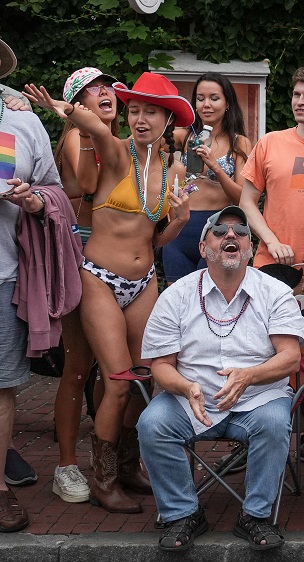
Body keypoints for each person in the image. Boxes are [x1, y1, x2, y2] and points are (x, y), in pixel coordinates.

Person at [24, 72, 191, 513]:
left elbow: (157, 240)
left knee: (144, 380)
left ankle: (127, 464)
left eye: (149, 111)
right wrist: (66, 111)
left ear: (167, 118)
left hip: (144, 282)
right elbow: (97, 127)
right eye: (133, 110)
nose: (138, 118)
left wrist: (180, 218)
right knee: (116, 383)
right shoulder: (116, 154)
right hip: (98, 277)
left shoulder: (175, 168)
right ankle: (102, 480)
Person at [138, 206, 303, 551]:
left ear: (251, 249)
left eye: (241, 232)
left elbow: (290, 357)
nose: (232, 236)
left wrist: (249, 376)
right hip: (191, 401)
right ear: (203, 248)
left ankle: (254, 517)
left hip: (257, 400)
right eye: (220, 230)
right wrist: (185, 386)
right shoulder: (176, 295)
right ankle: (183, 514)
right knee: (153, 423)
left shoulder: (275, 293)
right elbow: (161, 366)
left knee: (274, 422)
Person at [239, 65, 304, 471]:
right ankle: (251, 434)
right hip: (270, 266)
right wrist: (270, 239)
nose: (299, 101)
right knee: (265, 352)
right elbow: (247, 201)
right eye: (297, 94)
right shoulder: (271, 143)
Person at [44, 67, 121, 504]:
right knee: (77, 366)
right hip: (83, 260)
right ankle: (66, 466)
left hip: (116, 263)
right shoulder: (78, 136)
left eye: (107, 86)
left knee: (109, 370)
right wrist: (88, 130)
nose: (104, 92)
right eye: (91, 89)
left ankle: (107, 461)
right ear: (76, 104)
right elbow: (90, 186)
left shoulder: (120, 139)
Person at [0, 36, 64, 532]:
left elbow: (53, 190)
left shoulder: (19, 123)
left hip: (3, 273)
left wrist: (36, 201)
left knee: (1, 387)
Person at [166, 72, 252, 284]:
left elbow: (243, 198)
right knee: (179, 302)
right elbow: (146, 139)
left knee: (213, 302)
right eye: (200, 98)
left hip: (219, 230)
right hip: (179, 230)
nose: (206, 104)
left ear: (228, 103)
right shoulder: (183, 136)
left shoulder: (239, 143)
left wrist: (215, 166)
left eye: (214, 98)